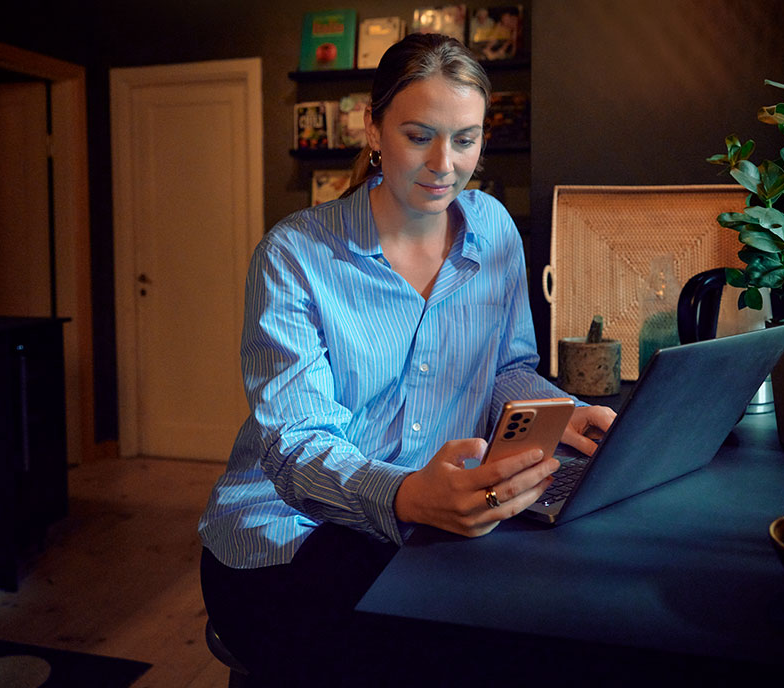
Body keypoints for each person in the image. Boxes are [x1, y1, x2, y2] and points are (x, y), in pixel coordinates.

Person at [198, 33, 615, 685]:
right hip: (286, 535)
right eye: (419, 135)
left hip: (431, 517)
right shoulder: (294, 256)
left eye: (466, 139)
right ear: (373, 127)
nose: (444, 164)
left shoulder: (493, 230)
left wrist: (562, 412)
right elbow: (295, 444)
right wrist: (404, 494)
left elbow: (506, 365)